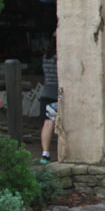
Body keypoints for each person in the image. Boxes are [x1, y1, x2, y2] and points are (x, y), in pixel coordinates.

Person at [40, 34, 58, 164]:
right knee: (56, 123)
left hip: (46, 93)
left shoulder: (46, 57)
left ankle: (45, 153)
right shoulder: (60, 58)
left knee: (47, 122)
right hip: (56, 94)